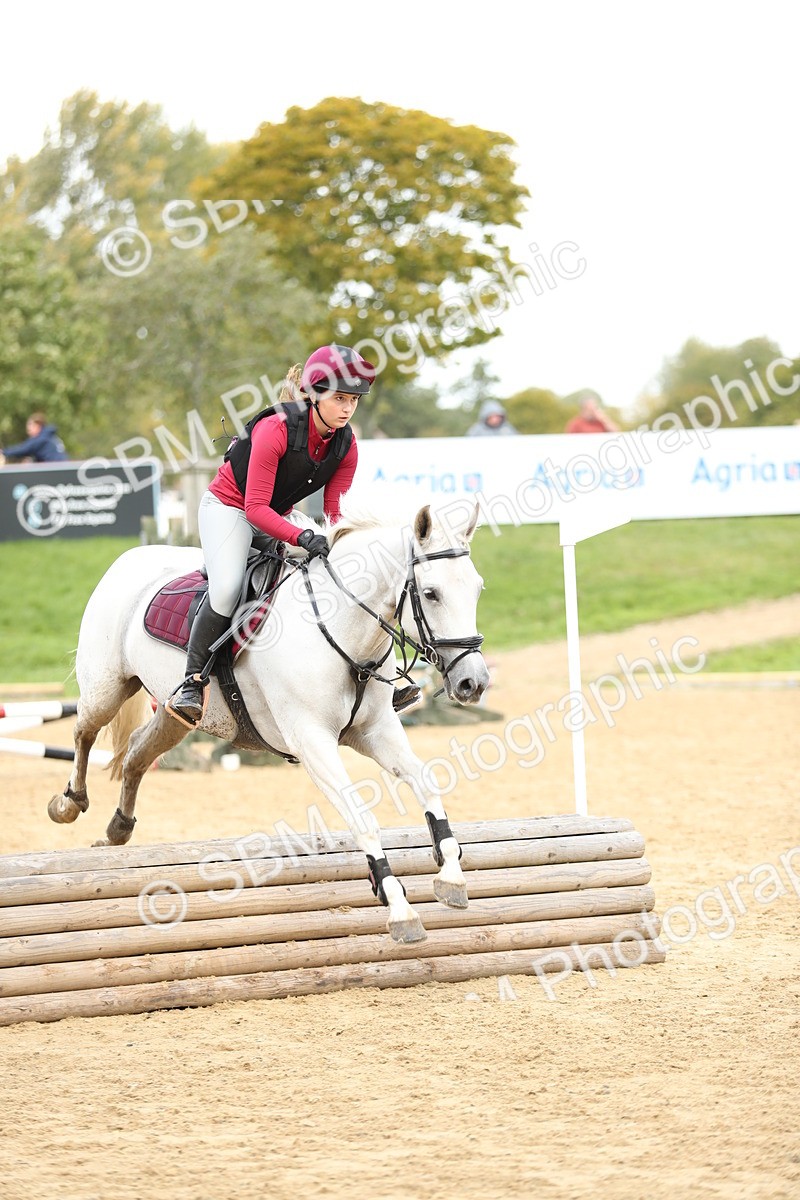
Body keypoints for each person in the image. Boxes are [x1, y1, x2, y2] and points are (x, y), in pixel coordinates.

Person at [167, 343, 374, 725]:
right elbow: (254, 509)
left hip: (275, 515)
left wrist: (336, 543)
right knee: (228, 587)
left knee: (323, 569)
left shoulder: (346, 444)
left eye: (354, 400)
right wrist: (300, 538)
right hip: (229, 508)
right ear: (314, 394)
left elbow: (334, 513)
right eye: (339, 398)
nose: (347, 408)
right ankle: (192, 683)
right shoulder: (276, 428)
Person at [1, 413, 68, 463]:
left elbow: (22, 449)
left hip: (56, 471)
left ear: (38, 425)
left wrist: (4, 452)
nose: (28, 429)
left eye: (30, 426)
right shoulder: (49, 436)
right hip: (61, 468)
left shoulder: (41, 439)